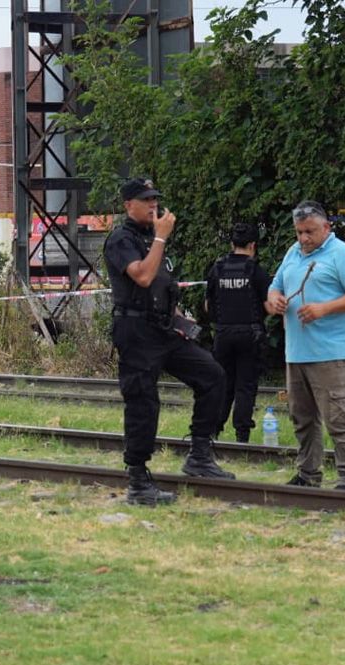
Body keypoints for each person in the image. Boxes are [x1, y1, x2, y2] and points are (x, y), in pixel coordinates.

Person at [103, 177, 234, 506]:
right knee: (143, 401)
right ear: (127, 205)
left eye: (155, 199)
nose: (153, 205)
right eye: (145, 200)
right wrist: (161, 237)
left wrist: (178, 317)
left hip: (163, 330)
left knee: (212, 375)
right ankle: (138, 479)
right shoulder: (122, 239)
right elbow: (143, 277)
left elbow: (162, 285)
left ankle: (200, 454)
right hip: (136, 332)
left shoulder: (152, 239)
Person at [264, 201, 345, 490]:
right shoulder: (293, 253)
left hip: (332, 351)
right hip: (297, 350)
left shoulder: (342, 254)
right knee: (302, 418)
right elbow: (274, 286)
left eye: (310, 231)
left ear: (327, 227)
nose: (303, 238)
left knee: (338, 418)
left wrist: (324, 309)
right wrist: (273, 300)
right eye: (299, 232)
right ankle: (308, 474)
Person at [204, 222, 270, 442]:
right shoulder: (256, 271)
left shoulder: (217, 268)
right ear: (253, 245)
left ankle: (214, 430)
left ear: (232, 244)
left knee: (223, 383)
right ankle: (242, 435)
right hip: (250, 335)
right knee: (246, 385)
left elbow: (207, 306)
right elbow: (268, 305)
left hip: (223, 334)